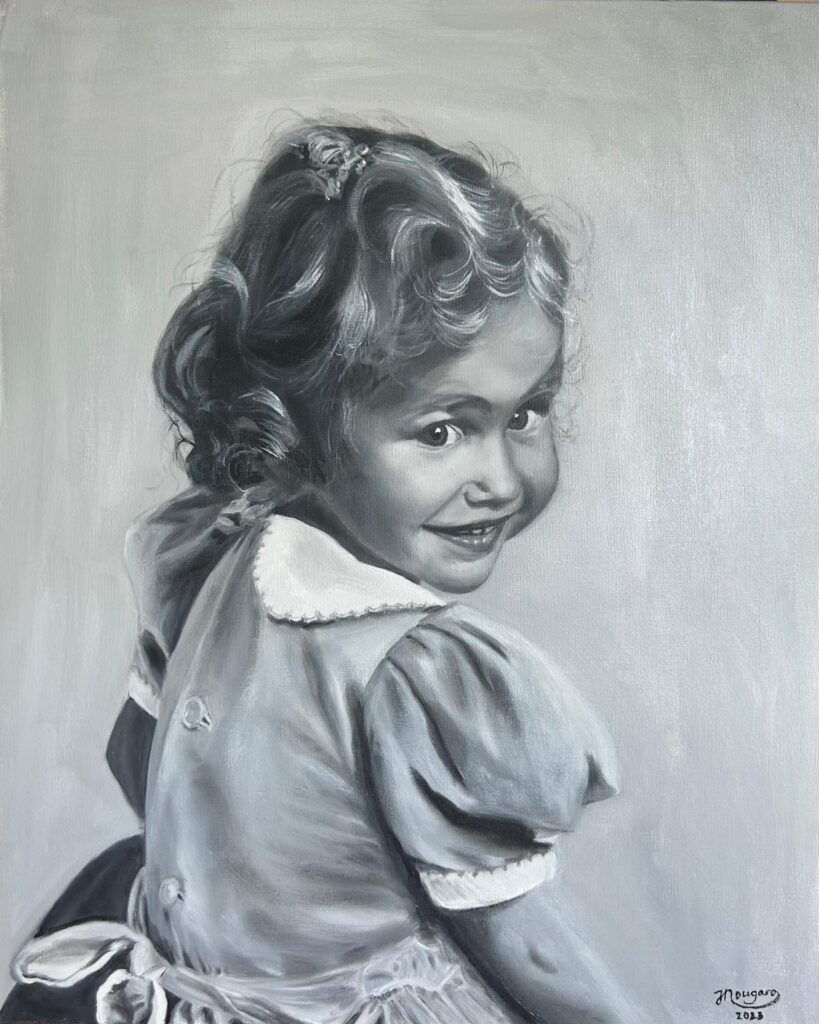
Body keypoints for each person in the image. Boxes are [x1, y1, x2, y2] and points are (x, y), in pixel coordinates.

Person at [5, 123, 644, 1024]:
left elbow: (520, 942)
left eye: (526, 414)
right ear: (298, 424)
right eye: (441, 430)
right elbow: (144, 759)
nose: (501, 480)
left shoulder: (399, 660)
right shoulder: (219, 560)